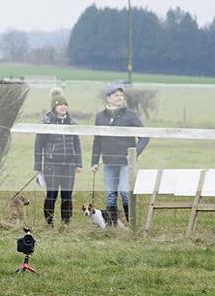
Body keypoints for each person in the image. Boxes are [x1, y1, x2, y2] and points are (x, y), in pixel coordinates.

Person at [91, 83, 150, 226]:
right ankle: (111, 225)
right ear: (108, 98)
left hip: (125, 163)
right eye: (116, 95)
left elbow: (145, 136)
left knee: (125, 193)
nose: (120, 98)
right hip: (108, 162)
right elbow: (97, 140)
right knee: (111, 195)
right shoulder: (100, 117)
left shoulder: (130, 114)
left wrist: (134, 153)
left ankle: (130, 224)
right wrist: (94, 161)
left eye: (121, 95)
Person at [34, 88, 82, 227]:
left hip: (69, 164)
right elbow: (38, 145)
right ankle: (49, 222)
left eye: (65, 105)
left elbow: (76, 143)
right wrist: (38, 166)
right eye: (60, 105)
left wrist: (79, 163)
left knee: (67, 195)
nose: (63, 107)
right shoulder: (46, 123)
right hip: (52, 164)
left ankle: (66, 222)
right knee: (52, 194)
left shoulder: (72, 123)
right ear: (54, 106)